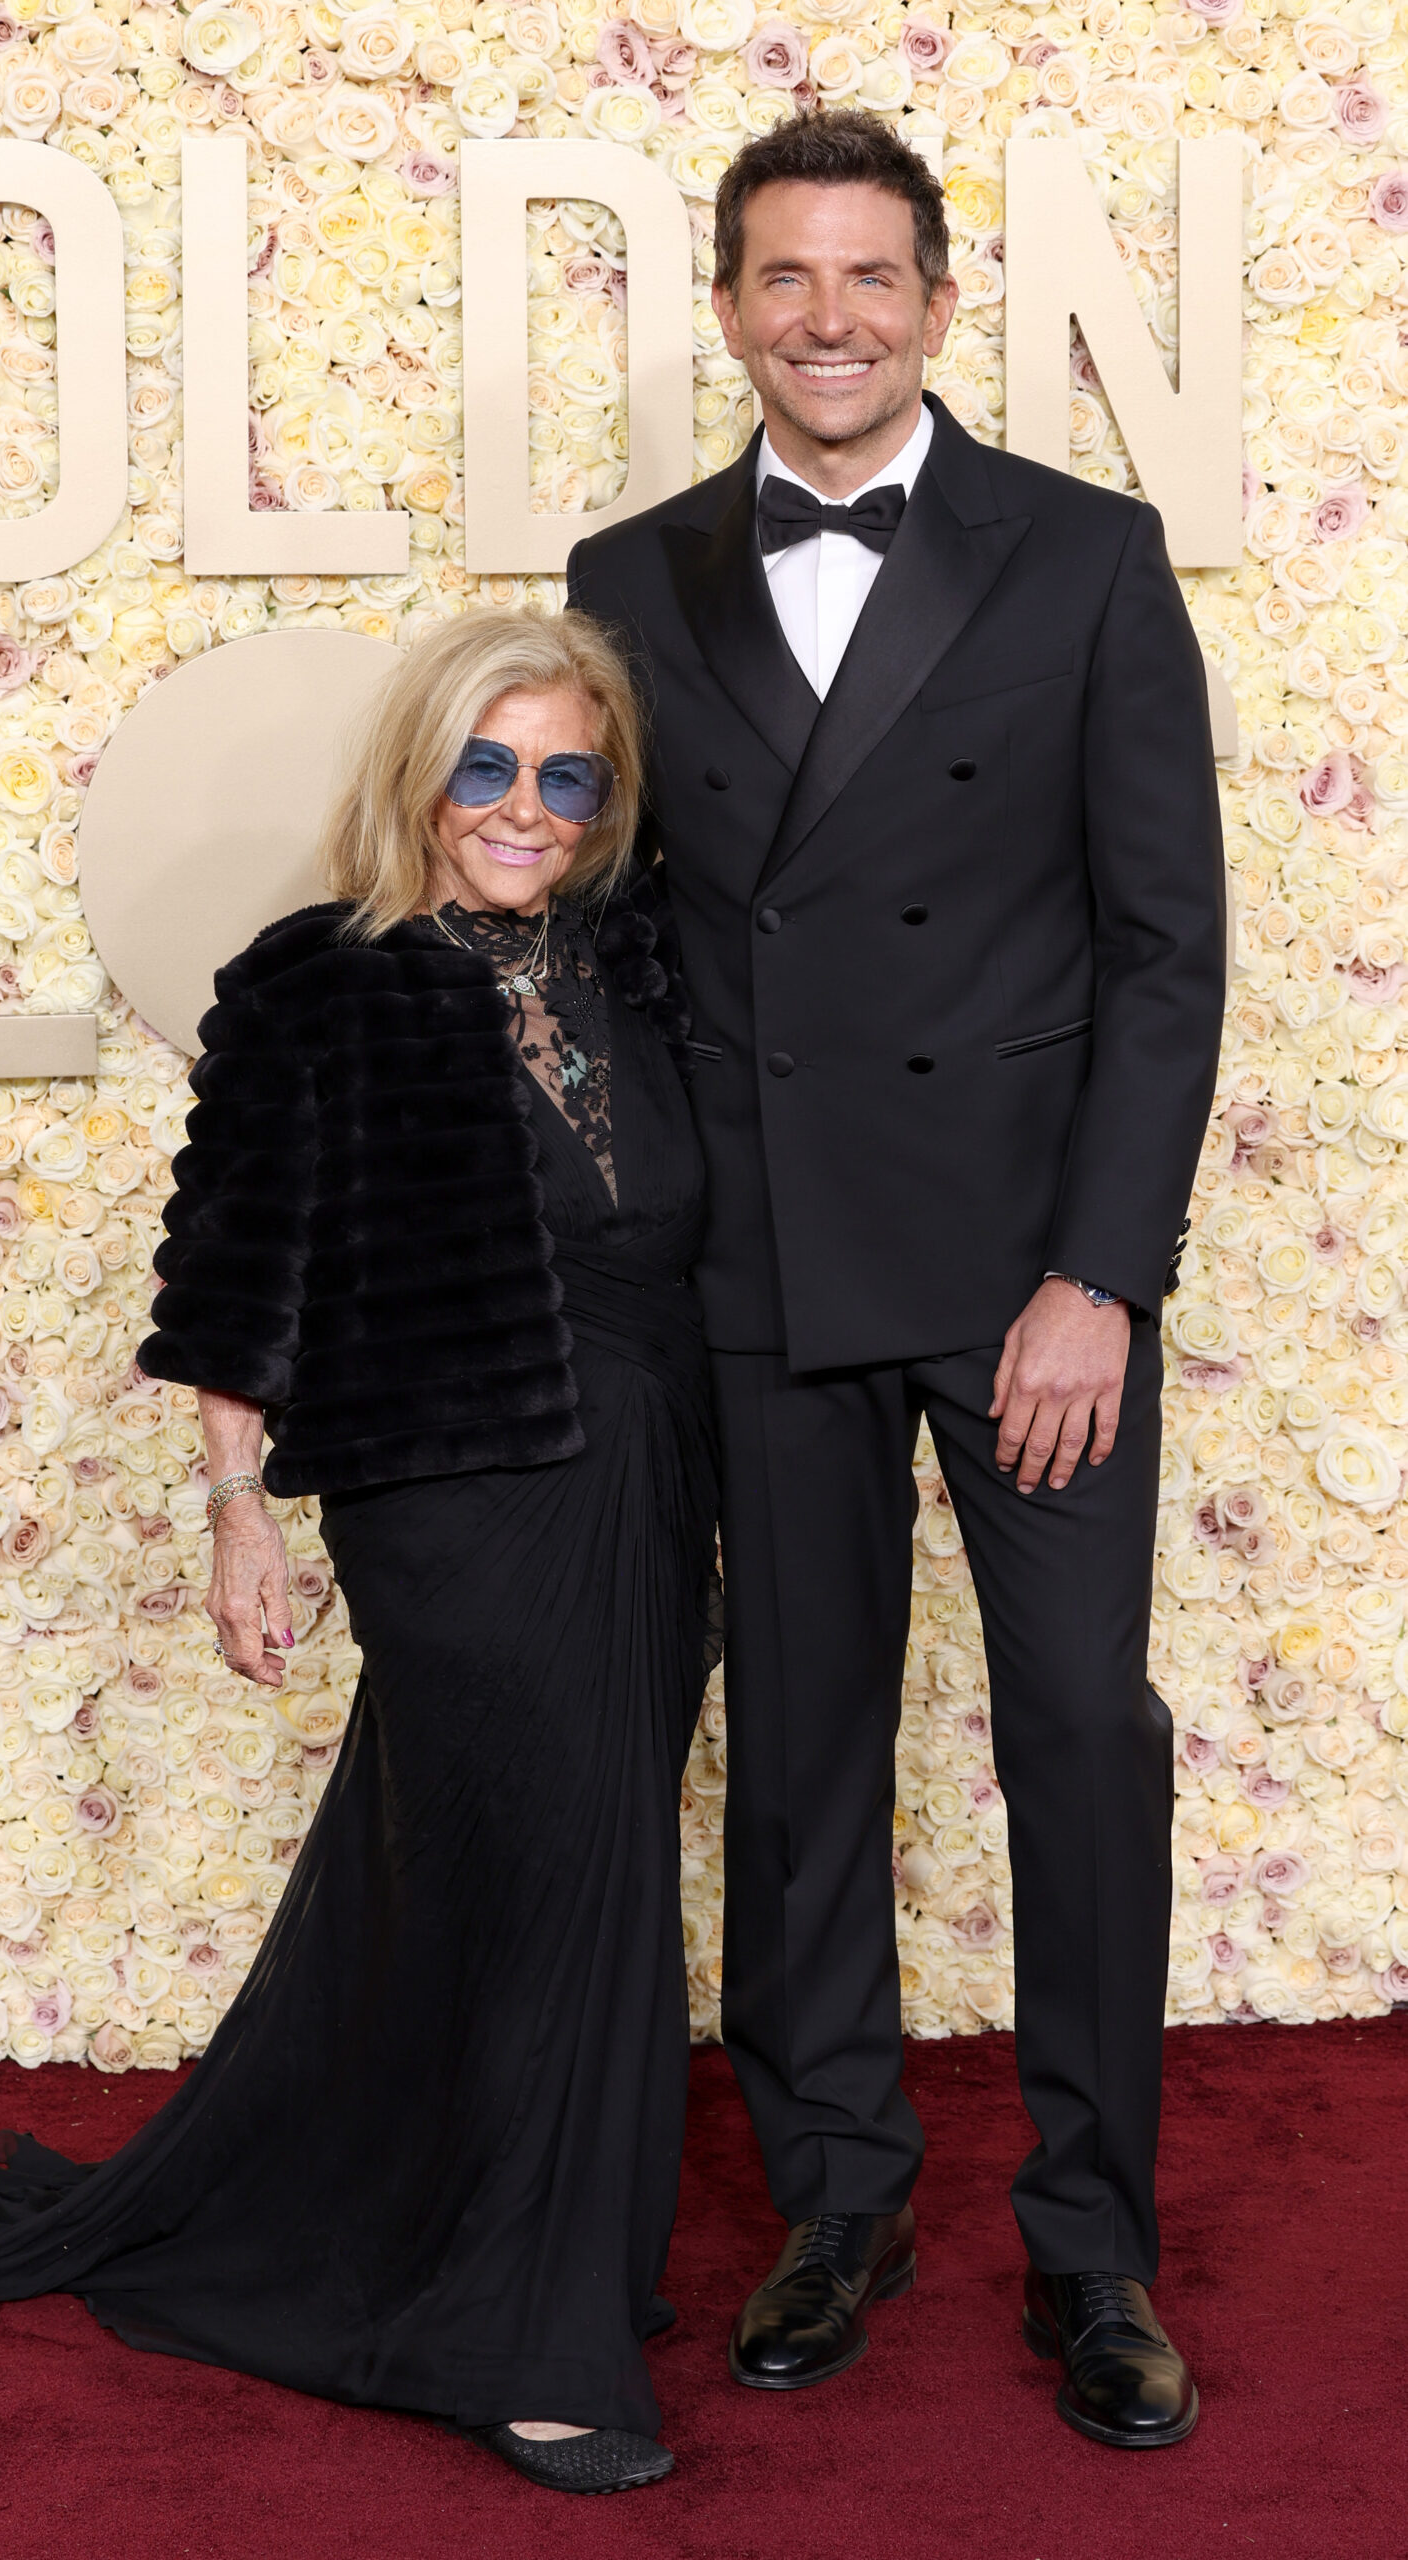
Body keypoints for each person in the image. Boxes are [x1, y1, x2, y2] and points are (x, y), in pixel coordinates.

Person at [0, 609, 721, 2499]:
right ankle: (523, 2341)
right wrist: (238, 1510)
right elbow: (238, 1272)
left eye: (567, 773)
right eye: (488, 766)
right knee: (563, 1864)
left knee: (563, 1867)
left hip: (657, 1475)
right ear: (419, 774)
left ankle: (506, 2244)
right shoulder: (324, 982)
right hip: (454, 1488)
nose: (525, 809)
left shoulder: (645, 965)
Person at [566, 108, 1226, 2450]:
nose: (824, 316)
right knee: (805, 1761)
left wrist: (1096, 1276)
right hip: (760, 1258)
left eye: (867, 276)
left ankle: (1089, 2244)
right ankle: (834, 2199)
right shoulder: (626, 571)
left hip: (1026, 1272)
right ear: (727, 304)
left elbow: (1162, 950)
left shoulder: (1079, 553)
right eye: (780, 277)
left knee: (1077, 1738)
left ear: (934, 302)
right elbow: (608, 939)